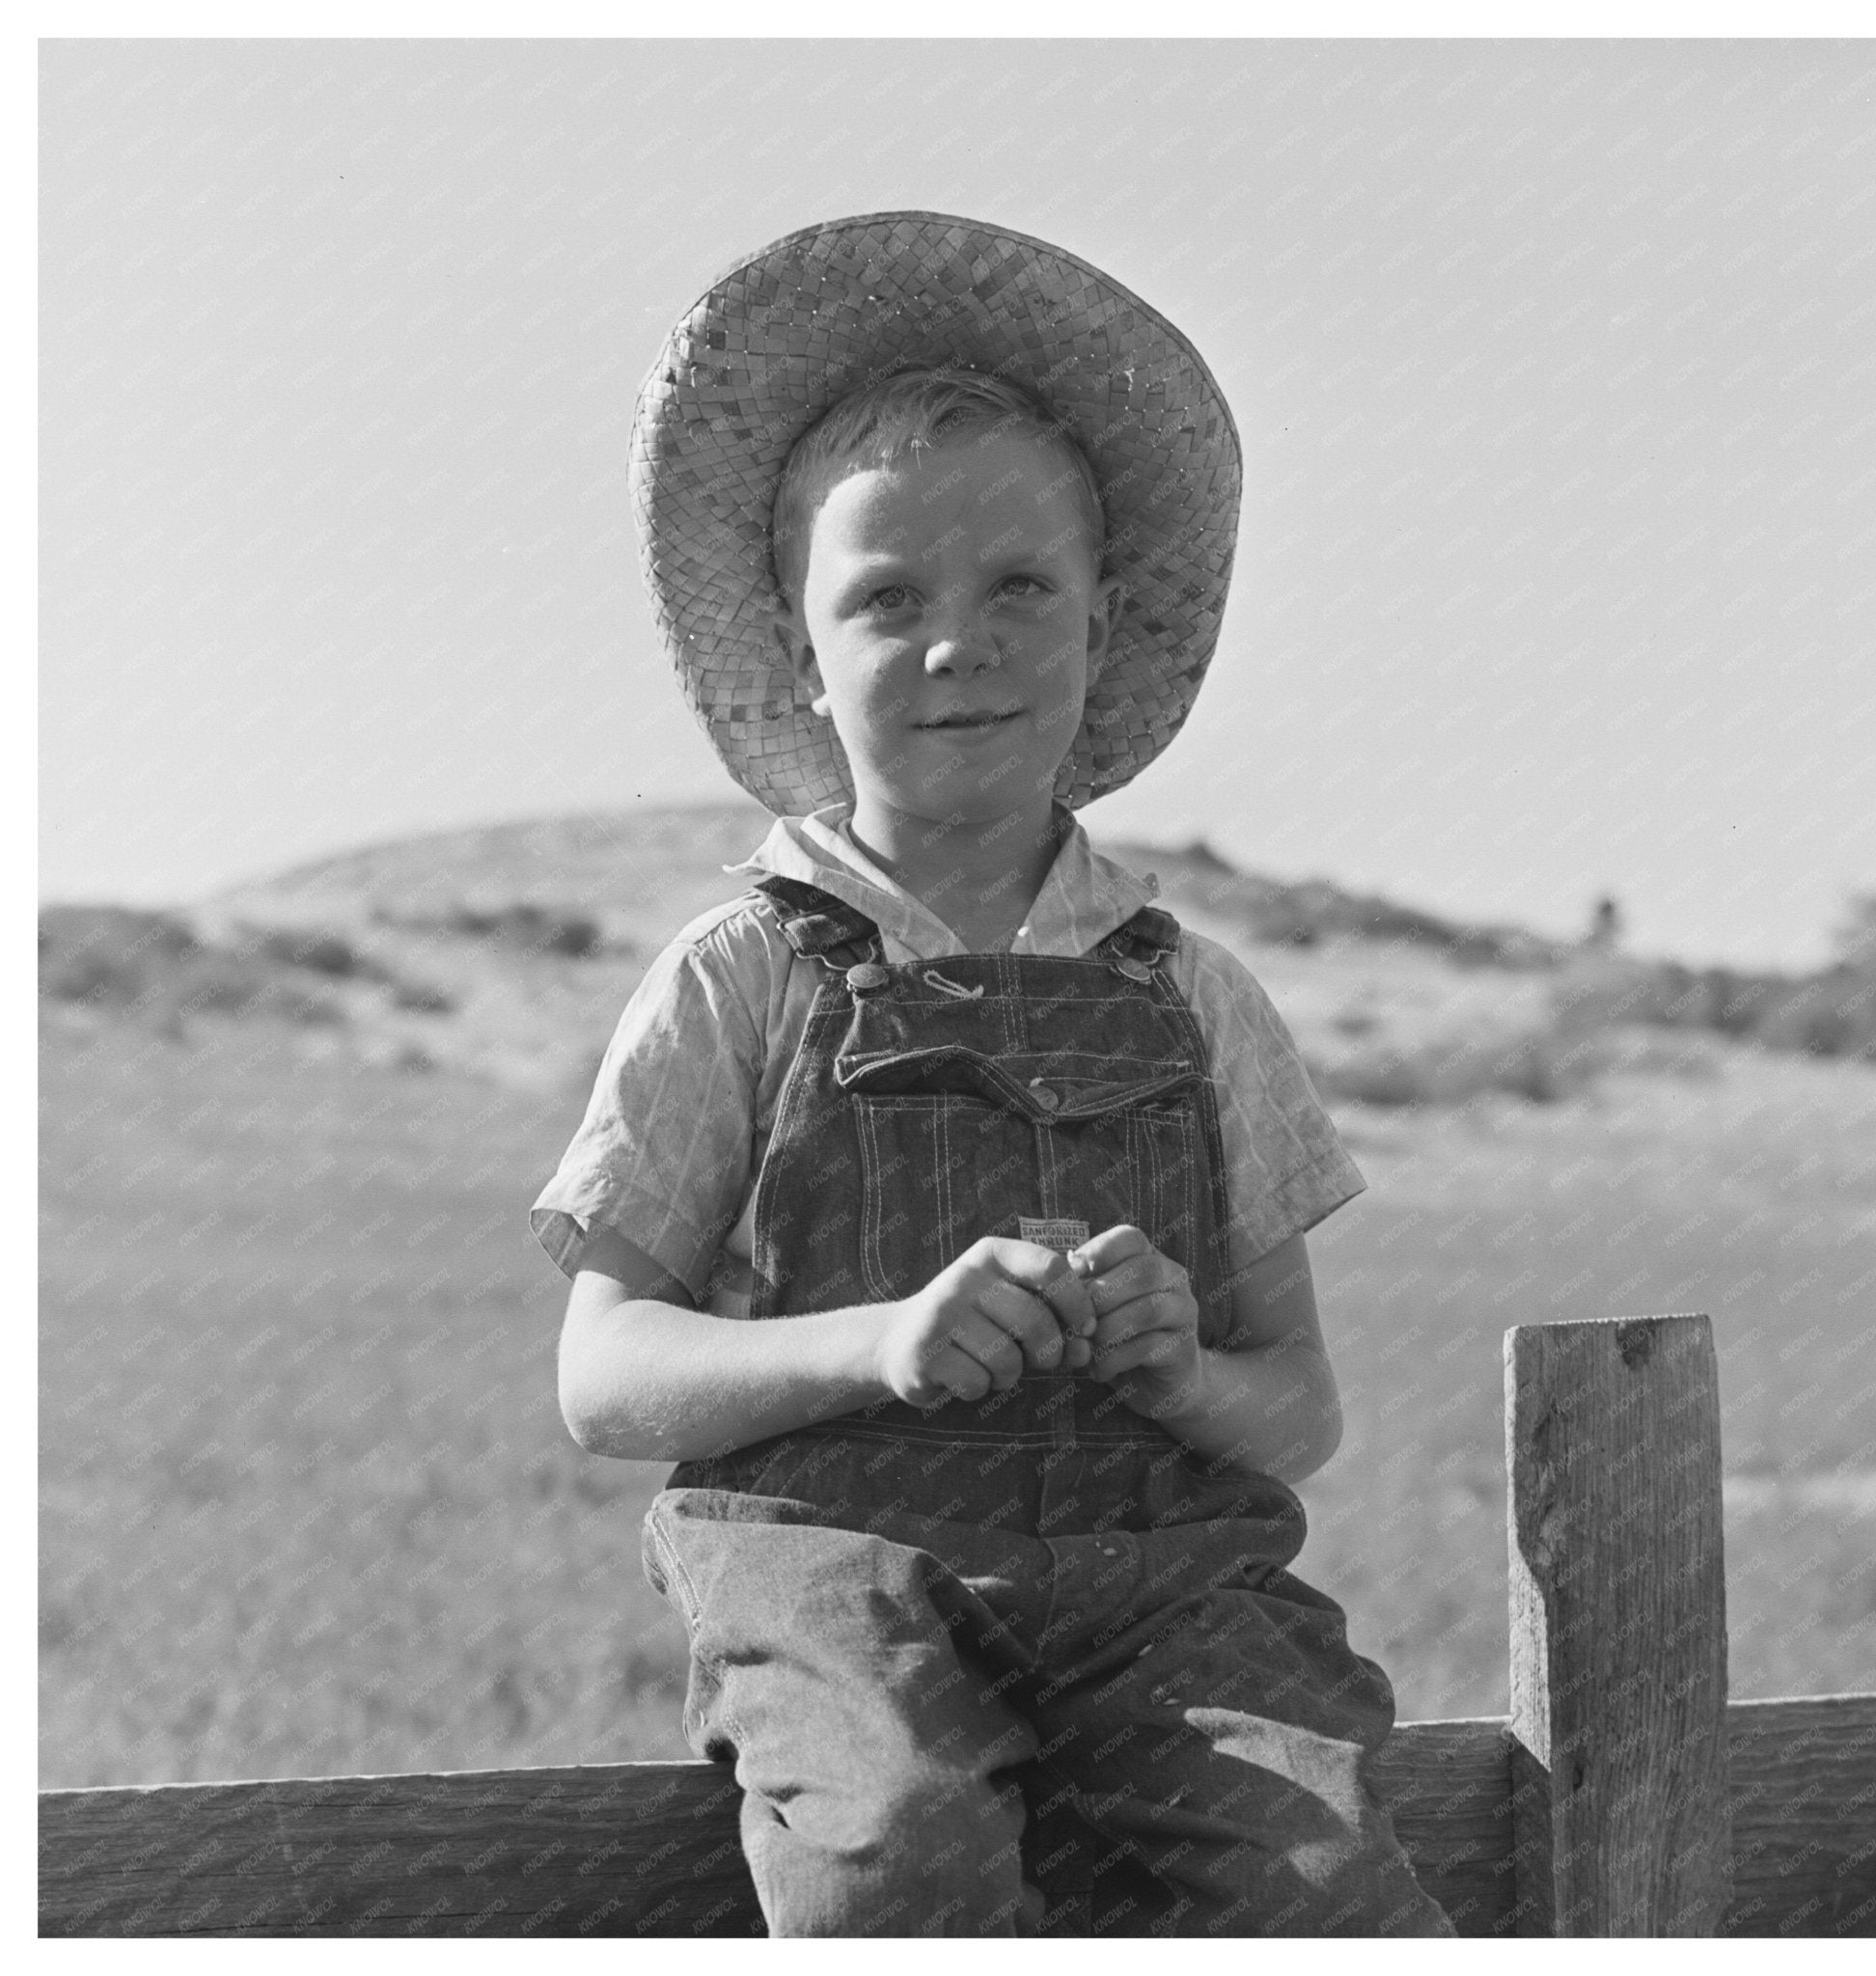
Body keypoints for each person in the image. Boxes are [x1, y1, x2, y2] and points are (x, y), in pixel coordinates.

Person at [532, 211, 1454, 1938]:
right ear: (803, 653)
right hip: (832, 1572)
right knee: (893, 1849)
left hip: (1165, 1590)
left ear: (1105, 623)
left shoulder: (1196, 997)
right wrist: (879, 1345)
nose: (961, 642)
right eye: (887, 600)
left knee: (1326, 1874)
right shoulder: (739, 975)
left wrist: (1181, 1367)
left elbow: (1296, 1410)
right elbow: (601, 1377)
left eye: (1020, 585)